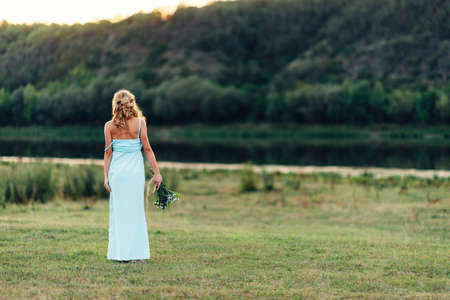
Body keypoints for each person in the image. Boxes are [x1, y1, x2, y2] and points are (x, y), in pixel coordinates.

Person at [103, 89, 163, 263]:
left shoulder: (109, 126)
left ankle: (120, 254)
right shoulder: (140, 123)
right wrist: (157, 173)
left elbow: (108, 154)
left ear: (115, 104)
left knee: (119, 213)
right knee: (136, 211)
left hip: (117, 174)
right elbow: (147, 149)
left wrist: (105, 177)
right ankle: (137, 254)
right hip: (135, 173)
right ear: (132, 103)